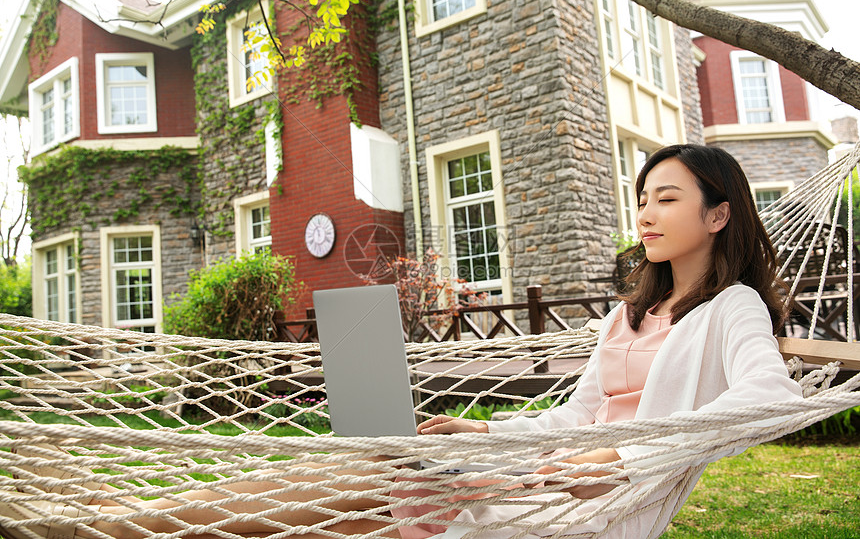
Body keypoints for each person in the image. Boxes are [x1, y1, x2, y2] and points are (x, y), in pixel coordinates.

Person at [1, 144, 803, 539]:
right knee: (376, 469)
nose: (648, 214)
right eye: (642, 200)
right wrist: (483, 431)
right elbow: (574, 416)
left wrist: (628, 458)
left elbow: (770, 399)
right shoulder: (628, 312)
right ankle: (137, 518)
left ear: (720, 212)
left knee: (368, 491)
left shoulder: (732, 310)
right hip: (540, 471)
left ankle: (120, 524)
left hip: (598, 509)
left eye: (667, 198)